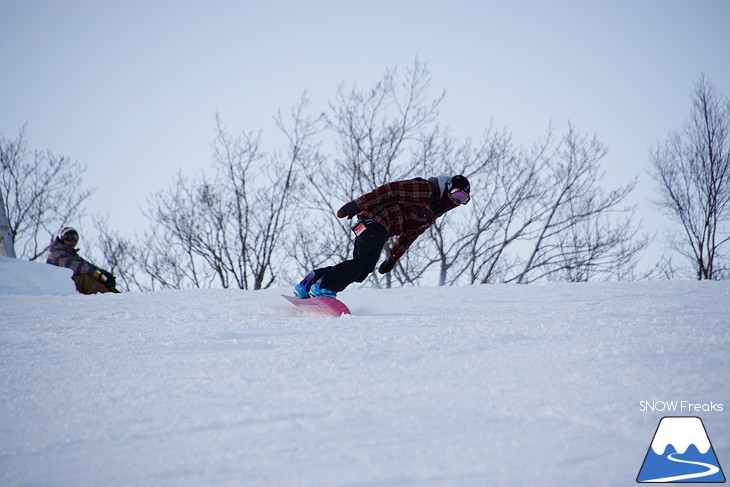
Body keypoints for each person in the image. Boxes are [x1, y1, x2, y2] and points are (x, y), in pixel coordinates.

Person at [294, 175, 471, 299]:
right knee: (365, 263)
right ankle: (326, 286)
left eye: (463, 199)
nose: (457, 201)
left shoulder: (434, 211)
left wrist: (393, 258)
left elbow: (410, 235)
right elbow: (388, 190)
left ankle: (311, 281)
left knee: (361, 270)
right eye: (456, 194)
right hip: (375, 219)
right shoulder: (425, 189)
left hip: (376, 227)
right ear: (447, 188)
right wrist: (356, 205)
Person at [46, 227, 120, 294]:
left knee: (100, 280)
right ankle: (110, 299)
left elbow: (87, 265)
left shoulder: (73, 255)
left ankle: (121, 298)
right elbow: (74, 266)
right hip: (58, 285)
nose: (72, 240)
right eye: (68, 237)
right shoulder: (56, 252)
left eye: (75, 237)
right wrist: (94, 273)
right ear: (62, 238)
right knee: (85, 278)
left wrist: (102, 273)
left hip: (70, 282)